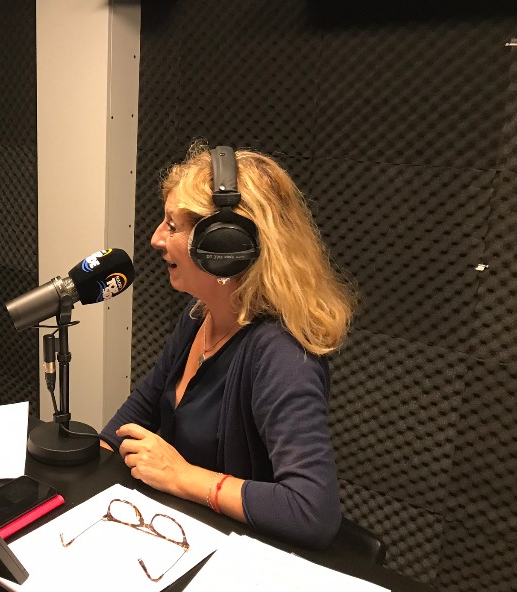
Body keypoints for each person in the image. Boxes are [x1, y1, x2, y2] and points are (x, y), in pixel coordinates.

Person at [100, 142, 356, 549]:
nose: (155, 239)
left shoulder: (282, 355)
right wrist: (87, 471)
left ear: (224, 246)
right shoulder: (199, 317)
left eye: (172, 226)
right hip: (183, 533)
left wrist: (181, 477)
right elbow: (138, 411)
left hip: (241, 557)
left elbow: (312, 512)